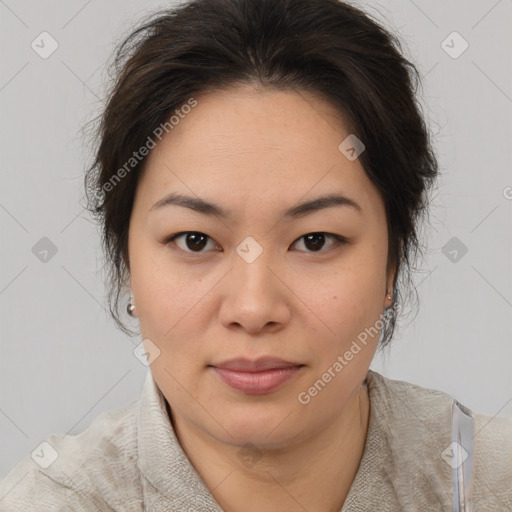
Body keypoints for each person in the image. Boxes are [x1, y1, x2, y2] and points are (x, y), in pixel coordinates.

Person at [1, 0, 510, 510]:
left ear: (391, 264)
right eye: (195, 240)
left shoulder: (488, 482)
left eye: (315, 240)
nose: (253, 308)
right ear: (128, 265)